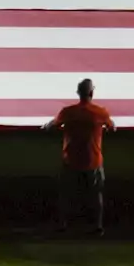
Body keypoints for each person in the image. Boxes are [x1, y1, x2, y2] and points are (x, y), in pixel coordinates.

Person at [44, 79, 115, 235]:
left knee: (65, 195)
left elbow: (52, 126)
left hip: (71, 160)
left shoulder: (67, 112)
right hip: (93, 161)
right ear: (92, 93)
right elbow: (112, 127)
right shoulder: (100, 112)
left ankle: (62, 225)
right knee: (96, 195)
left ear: (78, 93)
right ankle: (98, 226)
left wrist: (48, 124)